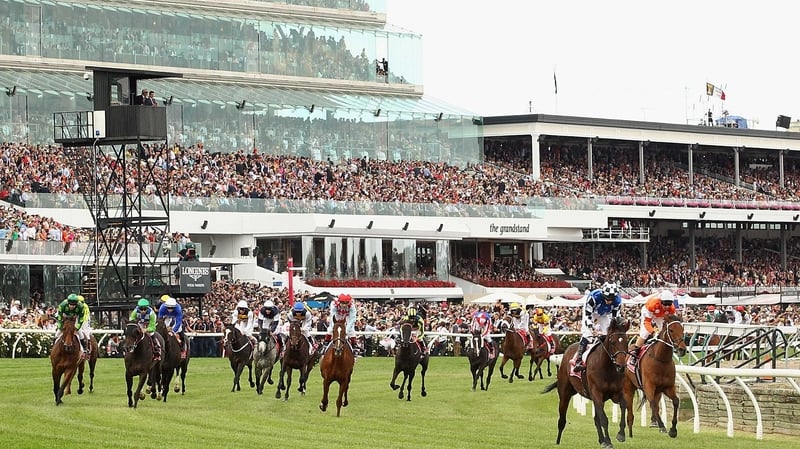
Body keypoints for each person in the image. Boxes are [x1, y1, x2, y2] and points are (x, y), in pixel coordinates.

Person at [574, 281, 622, 372]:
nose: (609, 301)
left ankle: (612, 358)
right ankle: (578, 360)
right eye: (607, 298)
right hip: (592, 312)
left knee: (609, 334)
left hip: (604, 314)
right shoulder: (594, 297)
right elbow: (588, 316)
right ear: (603, 294)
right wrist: (592, 328)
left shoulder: (618, 301)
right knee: (587, 333)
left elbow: (615, 319)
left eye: (611, 299)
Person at [628, 290, 677, 365]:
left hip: (660, 315)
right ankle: (635, 354)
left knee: (664, 332)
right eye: (665, 304)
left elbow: (671, 323)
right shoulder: (652, 304)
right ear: (660, 301)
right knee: (645, 333)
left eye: (669, 304)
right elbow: (647, 322)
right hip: (649, 312)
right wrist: (653, 332)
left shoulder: (672, 308)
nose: (667, 306)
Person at [55, 294, 90, 358]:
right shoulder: (62, 305)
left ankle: (84, 349)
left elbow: (81, 319)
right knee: (57, 333)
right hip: (65, 315)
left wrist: (77, 328)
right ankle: (53, 348)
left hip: (75, 317)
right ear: (68, 303)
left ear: (76, 304)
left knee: (80, 333)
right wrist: (61, 327)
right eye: (70, 304)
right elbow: (59, 318)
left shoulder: (81, 307)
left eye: (74, 305)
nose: (72, 306)